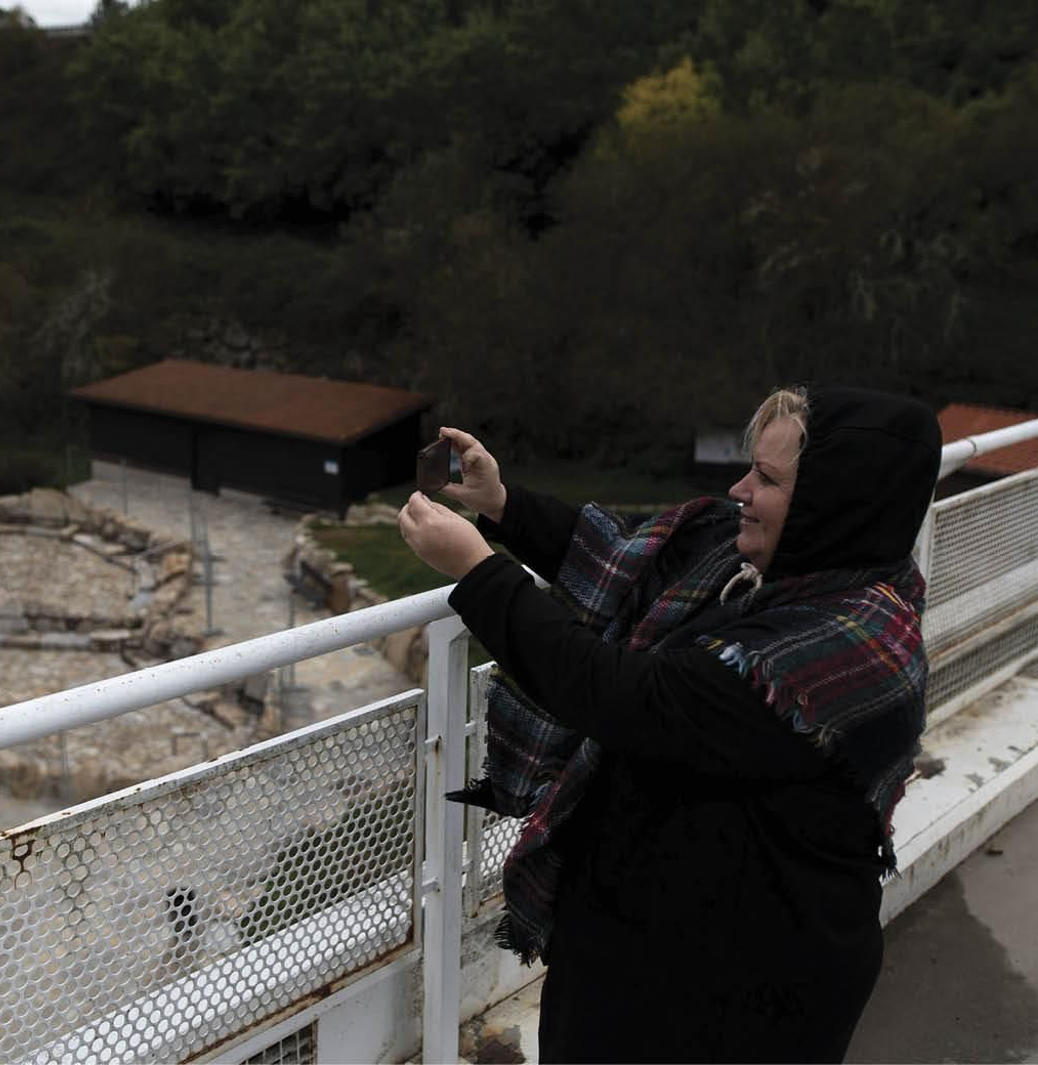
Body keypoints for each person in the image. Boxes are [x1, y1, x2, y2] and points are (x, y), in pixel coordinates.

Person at [398, 386, 941, 1062]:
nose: (740, 489)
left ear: (835, 505)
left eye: (767, 478)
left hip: (735, 1001)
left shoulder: (839, 655)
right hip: (643, 951)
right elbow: (625, 557)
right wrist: (501, 504)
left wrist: (478, 572)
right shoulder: (764, 562)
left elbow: (615, 694)